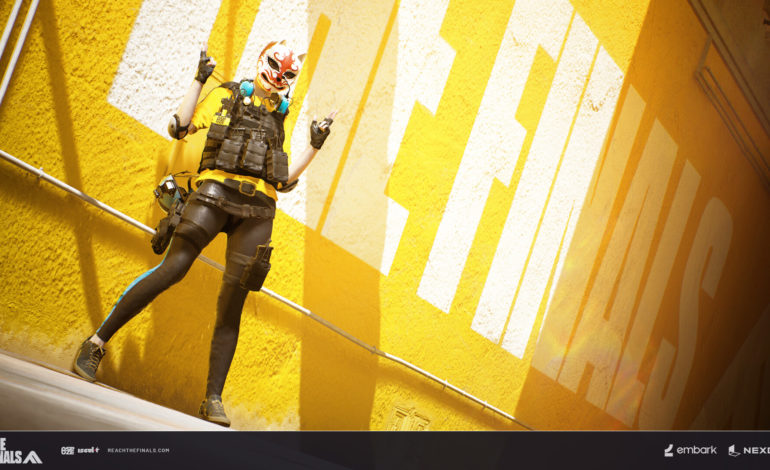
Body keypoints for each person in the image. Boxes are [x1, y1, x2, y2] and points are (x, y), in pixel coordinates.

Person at [73, 41, 336, 427]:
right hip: (213, 193)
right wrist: (199, 80)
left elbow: (281, 181)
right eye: (274, 66)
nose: (278, 78)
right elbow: (180, 128)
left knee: (232, 303)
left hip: (258, 211)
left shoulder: (279, 114)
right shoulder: (227, 95)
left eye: (287, 75)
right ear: (261, 60)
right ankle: (95, 343)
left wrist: (314, 146)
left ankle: (213, 397)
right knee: (173, 268)